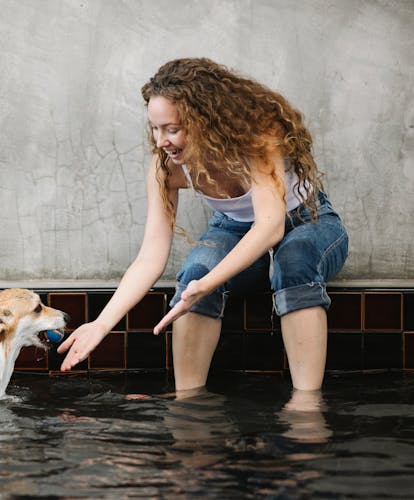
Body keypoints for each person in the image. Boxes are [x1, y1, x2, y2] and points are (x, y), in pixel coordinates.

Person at [58, 58, 348, 392]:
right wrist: (102, 323)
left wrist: (209, 283)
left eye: (172, 128)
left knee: (293, 261)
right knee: (195, 273)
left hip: (304, 219)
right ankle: (189, 408)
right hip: (232, 227)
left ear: (204, 119)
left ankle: (306, 409)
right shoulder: (166, 166)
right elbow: (151, 255)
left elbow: (270, 227)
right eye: (155, 128)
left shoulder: (258, 136)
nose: (161, 140)